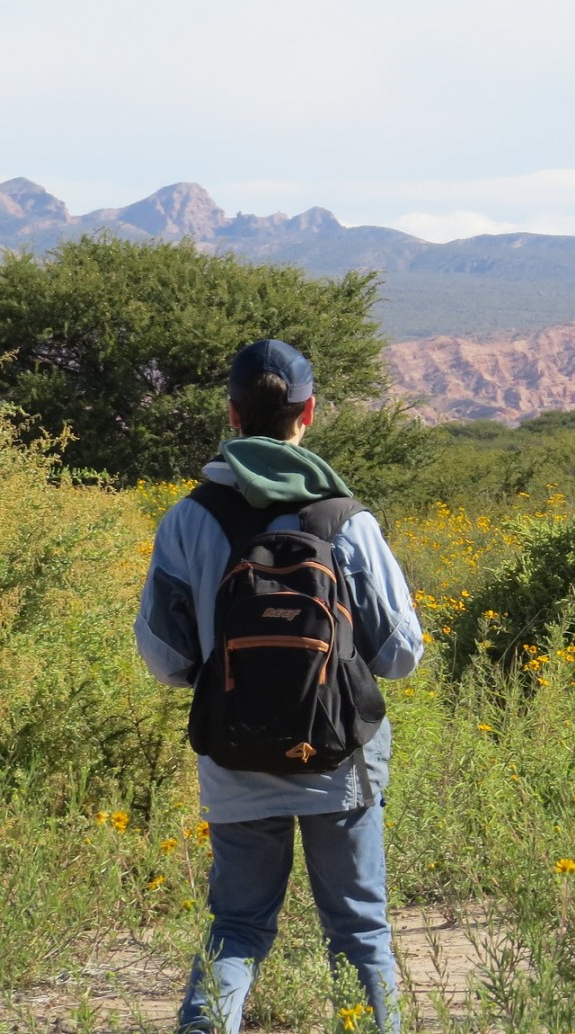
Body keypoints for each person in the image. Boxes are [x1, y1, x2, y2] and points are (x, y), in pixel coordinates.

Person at [136, 338, 424, 1033]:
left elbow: (165, 659)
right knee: (358, 932)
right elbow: (400, 655)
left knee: (236, 926)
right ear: (310, 412)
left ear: (232, 415)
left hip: (234, 758)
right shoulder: (345, 520)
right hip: (338, 762)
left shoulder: (189, 519)